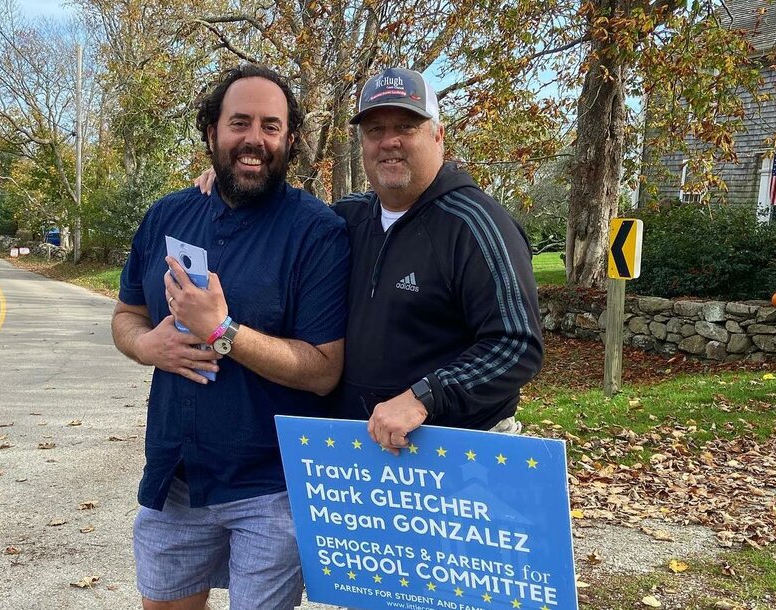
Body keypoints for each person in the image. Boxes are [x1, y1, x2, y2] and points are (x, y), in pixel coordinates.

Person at [196, 67, 543, 454]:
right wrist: (236, 169)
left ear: (438, 135)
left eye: (406, 127)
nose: (388, 141)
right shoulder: (348, 218)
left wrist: (423, 397)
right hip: (361, 456)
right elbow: (282, 213)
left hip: (453, 456)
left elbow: (516, 345)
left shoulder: (476, 224)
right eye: (375, 130)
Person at [112, 64, 349, 610]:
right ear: (212, 131)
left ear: (290, 139)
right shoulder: (167, 215)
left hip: (270, 487)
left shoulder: (317, 232)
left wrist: (221, 332)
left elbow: (322, 369)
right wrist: (145, 345)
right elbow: (127, 314)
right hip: (175, 477)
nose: (254, 139)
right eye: (239, 122)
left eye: (271, 126)